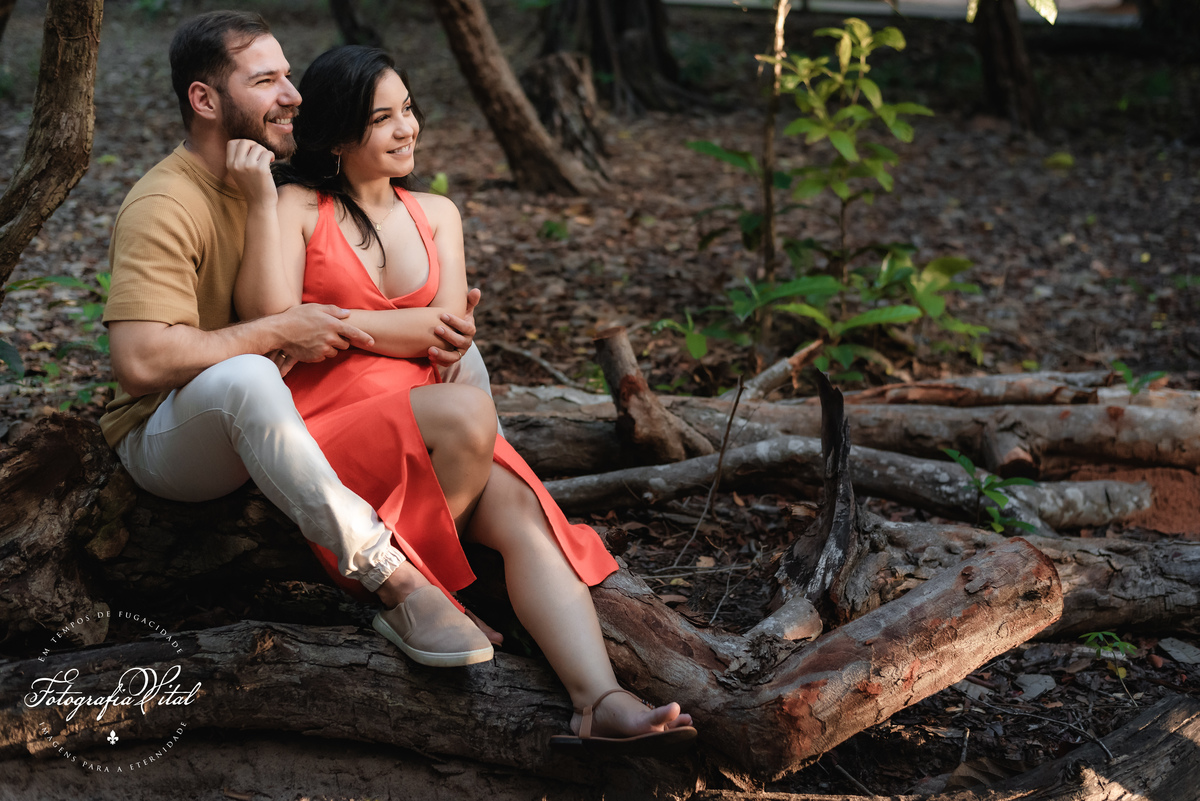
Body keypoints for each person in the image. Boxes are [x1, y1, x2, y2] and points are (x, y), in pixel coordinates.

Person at [229, 42, 697, 753]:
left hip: (441, 431)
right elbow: (271, 320)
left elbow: (444, 333)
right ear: (336, 135)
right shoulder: (295, 205)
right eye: (382, 117)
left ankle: (599, 698)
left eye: (408, 108)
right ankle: (404, 592)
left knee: (524, 519)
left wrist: (337, 323)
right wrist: (271, 222)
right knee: (472, 413)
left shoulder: (437, 214)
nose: (406, 128)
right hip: (329, 428)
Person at [100, 10, 503, 665]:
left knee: (466, 354)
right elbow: (141, 362)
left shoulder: (282, 185)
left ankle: (478, 528)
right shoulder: (165, 203)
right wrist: (274, 330)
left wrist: (440, 319)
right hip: (172, 435)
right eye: (267, 80)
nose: (294, 95)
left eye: (290, 75)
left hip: (294, 416)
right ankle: (393, 580)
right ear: (204, 100)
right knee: (248, 375)